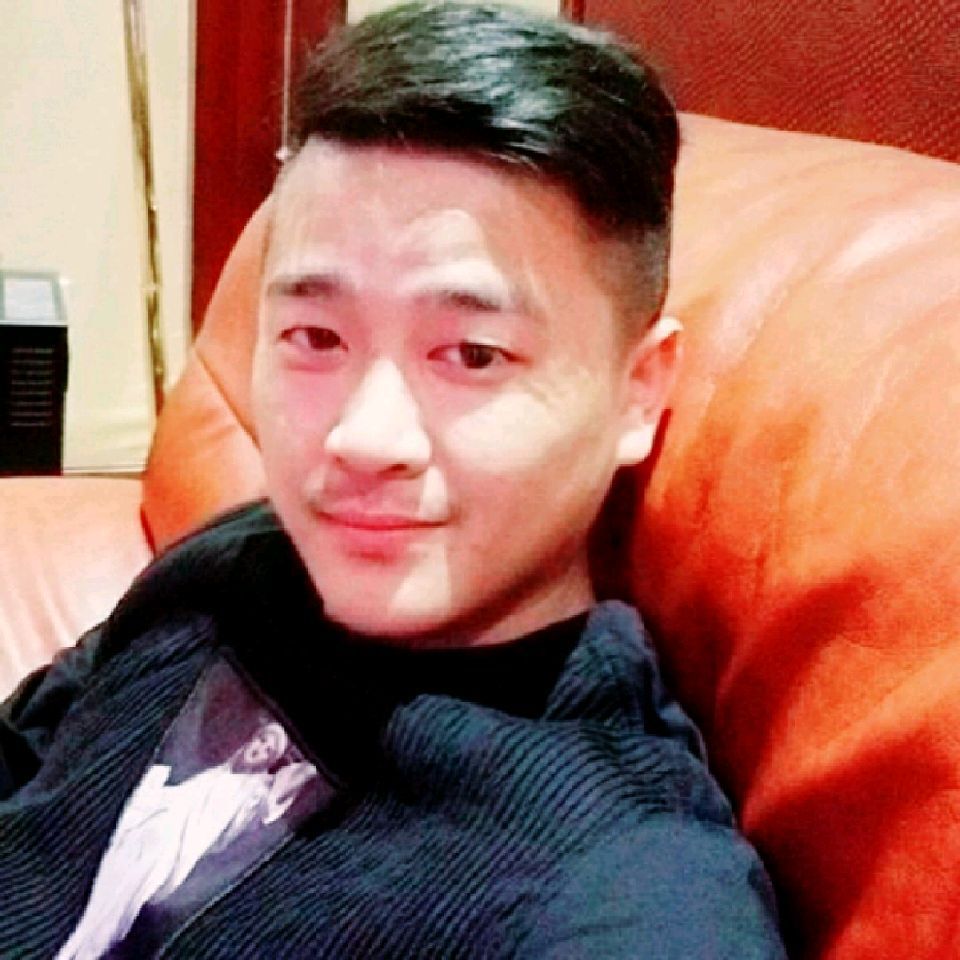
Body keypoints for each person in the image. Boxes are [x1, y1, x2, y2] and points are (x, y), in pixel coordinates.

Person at [0, 2, 786, 956]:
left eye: (473, 354)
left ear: (638, 392)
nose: (362, 439)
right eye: (315, 337)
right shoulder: (235, 562)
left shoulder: (625, 890)